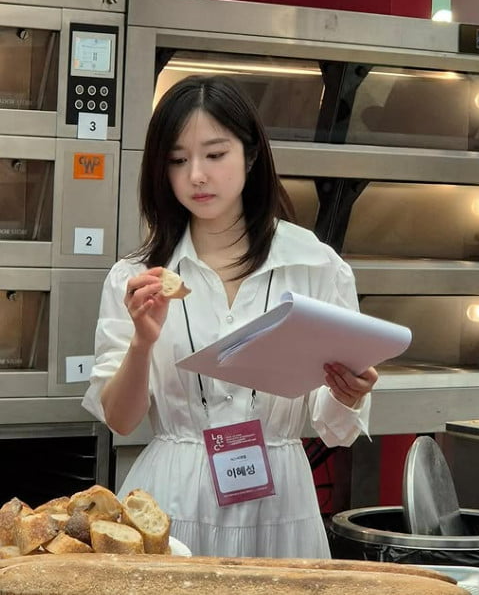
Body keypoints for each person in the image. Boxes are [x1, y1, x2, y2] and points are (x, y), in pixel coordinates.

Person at [82, 74, 378, 559]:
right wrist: (142, 342)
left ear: (251, 154)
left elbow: (335, 429)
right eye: (178, 160)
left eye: (215, 155)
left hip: (281, 501)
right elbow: (121, 419)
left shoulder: (315, 266)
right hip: (172, 502)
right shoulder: (136, 278)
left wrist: (349, 393)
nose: (197, 175)